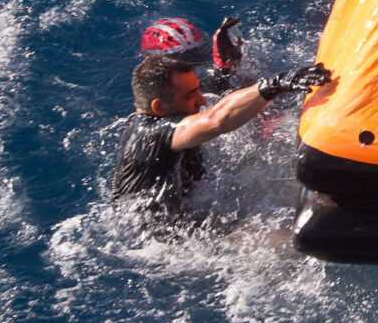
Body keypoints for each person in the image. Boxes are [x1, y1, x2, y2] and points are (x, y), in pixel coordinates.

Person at [113, 44, 330, 218]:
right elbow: (216, 120)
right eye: (190, 95)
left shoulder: (173, 112)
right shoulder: (148, 135)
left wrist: (224, 70)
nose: (202, 99)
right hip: (165, 238)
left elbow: (223, 103)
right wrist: (275, 84)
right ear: (158, 108)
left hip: (195, 207)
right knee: (286, 243)